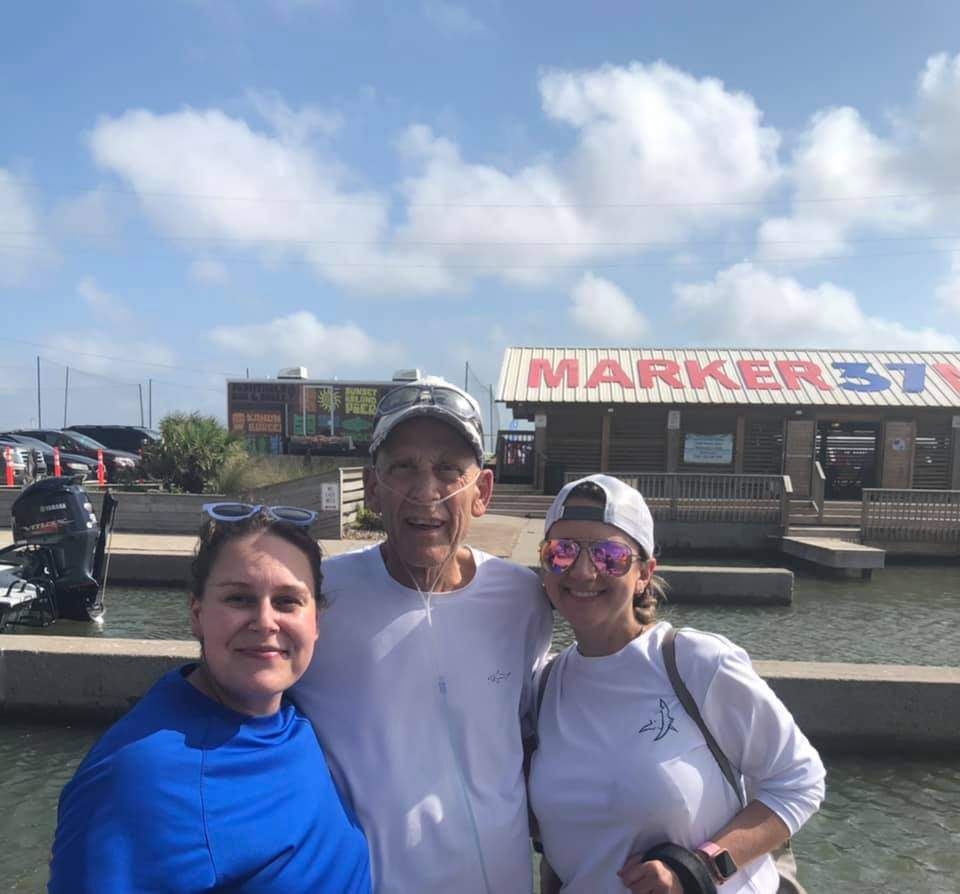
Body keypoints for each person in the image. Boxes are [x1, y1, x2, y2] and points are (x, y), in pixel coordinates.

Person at [294, 377, 554, 894]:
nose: (425, 491)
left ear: (481, 492)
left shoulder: (523, 598)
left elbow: (533, 734)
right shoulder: (318, 597)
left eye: (448, 469)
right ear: (373, 487)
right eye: (403, 467)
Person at [49, 503, 371, 893]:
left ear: (316, 621)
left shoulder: (291, 714)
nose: (265, 622)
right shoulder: (140, 779)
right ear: (196, 614)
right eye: (239, 598)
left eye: (287, 601)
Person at [528, 475, 825, 894]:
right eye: (562, 552)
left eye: (610, 556)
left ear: (644, 574)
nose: (582, 570)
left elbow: (799, 780)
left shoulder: (696, 663)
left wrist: (700, 868)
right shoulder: (544, 685)